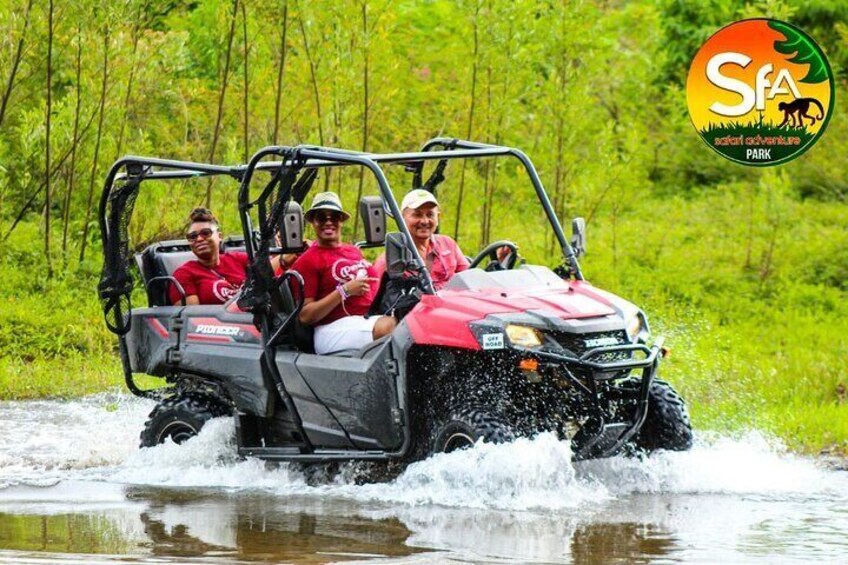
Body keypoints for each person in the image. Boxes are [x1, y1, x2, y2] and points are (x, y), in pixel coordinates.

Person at [290, 192, 396, 354]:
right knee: (390, 327)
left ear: (341, 221)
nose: (328, 222)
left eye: (334, 217)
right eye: (321, 217)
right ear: (313, 222)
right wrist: (344, 291)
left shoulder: (353, 250)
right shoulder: (308, 260)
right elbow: (305, 316)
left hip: (365, 319)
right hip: (331, 329)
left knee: (411, 323)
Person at [373, 189, 469, 291]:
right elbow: (375, 301)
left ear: (438, 217)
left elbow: (471, 279)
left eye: (430, 214)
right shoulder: (389, 261)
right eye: (417, 214)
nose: (424, 221)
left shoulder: (448, 244)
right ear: (402, 218)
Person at [169, 207, 249, 305]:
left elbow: (267, 269)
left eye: (206, 233)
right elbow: (192, 317)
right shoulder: (184, 274)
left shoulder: (238, 259)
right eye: (193, 236)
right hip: (217, 320)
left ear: (219, 236)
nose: (199, 239)